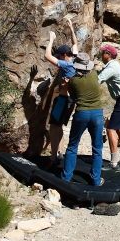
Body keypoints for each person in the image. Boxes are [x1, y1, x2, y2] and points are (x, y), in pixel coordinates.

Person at [61, 52, 106, 186]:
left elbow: (73, 98)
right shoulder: (94, 75)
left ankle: (66, 178)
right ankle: (96, 180)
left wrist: (66, 84)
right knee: (97, 149)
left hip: (82, 113)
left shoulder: (73, 80)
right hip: (98, 113)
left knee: (72, 146)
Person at [43, 17, 78, 168]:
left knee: (54, 127)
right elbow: (75, 44)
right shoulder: (77, 59)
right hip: (72, 101)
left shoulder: (67, 64)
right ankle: (60, 152)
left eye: (60, 56)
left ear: (63, 56)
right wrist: (71, 28)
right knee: (59, 127)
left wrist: (51, 39)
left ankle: (53, 158)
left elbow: (47, 56)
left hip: (63, 100)